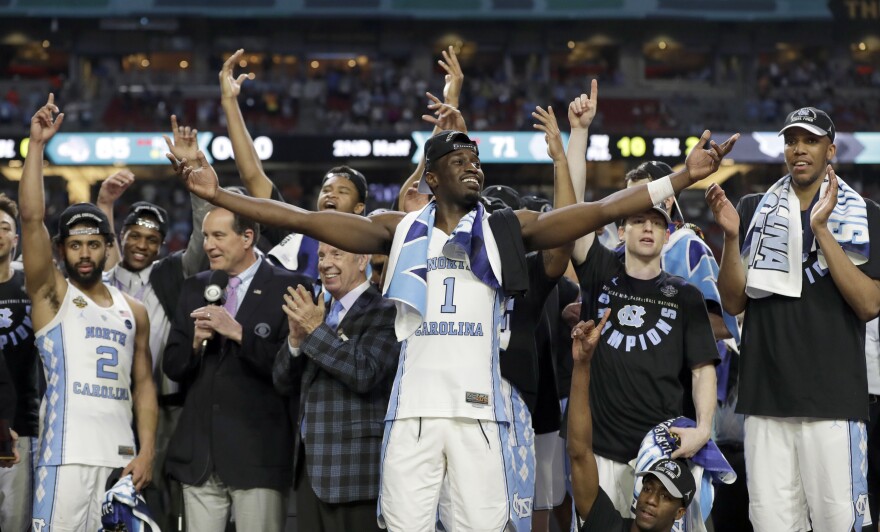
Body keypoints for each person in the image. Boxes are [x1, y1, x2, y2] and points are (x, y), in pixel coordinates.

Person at [172, 97, 735, 530]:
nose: (474, 169)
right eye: (460, 161)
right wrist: (219, 195)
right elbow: (298, 219)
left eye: (477, 161)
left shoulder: (506, 230)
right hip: (412, 416)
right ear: (432, 176)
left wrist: (681, 177)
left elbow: (601, 210)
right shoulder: (397, 231)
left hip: (479, 418)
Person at [706, 106, 880, 531]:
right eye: (791, 140)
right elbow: (733, 302)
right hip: (766, 398)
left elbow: (869, 304)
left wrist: (821, 229)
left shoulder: (865, 215)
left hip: (834, 401)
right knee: (770, 524)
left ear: (830, 150)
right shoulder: (751, 210)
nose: (798, 149)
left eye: (811, 140)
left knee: (839, 524)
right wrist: (730, 237)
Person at [567, 82, 719, 516]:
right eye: (637, 220)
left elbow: (702, 369)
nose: (648, 228)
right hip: (600, 449)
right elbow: (573, 212)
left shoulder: (686, 295)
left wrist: (704, 430)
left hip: (662, 456)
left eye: (656, 222)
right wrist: (579, 133)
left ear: (669, 232)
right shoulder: (599, 269)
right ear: (620, 230)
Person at [20, 94, 157, 531]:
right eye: (75, 245)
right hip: (65, 457)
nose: (84, 254)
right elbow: (31, 218)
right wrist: (37, 146)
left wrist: (148, 449)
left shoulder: (133, 309)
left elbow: (144, 384)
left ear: (107, 247)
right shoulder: (51, 296)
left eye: (94, 244)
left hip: (120, 459)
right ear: (61, 250)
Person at [162, 204, 310, 532]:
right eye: (205, 237)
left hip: (258, 456)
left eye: (218, 236)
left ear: (247, 237)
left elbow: (293, 371)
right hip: (200, 455)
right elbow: (172, 366)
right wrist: (196, 343)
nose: (208, 245)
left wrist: (239, 334)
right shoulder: (196, 287)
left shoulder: (291, 288)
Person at [99, 115, 211, 530]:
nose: (141, 245)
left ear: (163, 245)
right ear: (122, 237)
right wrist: (105, 203)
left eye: (151, 240)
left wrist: (195, 178)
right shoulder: (106, 277)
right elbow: (99, 243)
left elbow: (202, 237)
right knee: (114, 493)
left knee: (165, 488)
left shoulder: (172, 273)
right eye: (134, 236)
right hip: (113, 405)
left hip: (170, 404)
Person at [272, 242, 399, 532]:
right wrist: (294, 341)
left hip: (355, 474)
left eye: (336, 254)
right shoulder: (318, 310)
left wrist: (315, 331)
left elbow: (364, 372)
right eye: (321, 255)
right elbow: (282, 382)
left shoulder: (386, 310)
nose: (325, 263)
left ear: (362, 258)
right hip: (309, 472)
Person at [218, 48, 368, 279]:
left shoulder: (373, 241)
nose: (331, 195)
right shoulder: (296, 232)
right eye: (326, 189)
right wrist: (229, 102)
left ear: (359, 207)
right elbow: (252, 175)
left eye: (342, 191)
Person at [567, 311, 697, 531]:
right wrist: (582, 364)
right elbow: (580, 453)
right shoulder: (608, 525)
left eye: (665, 495)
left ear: (680, 512)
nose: (651, 500)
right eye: (648, 488)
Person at [0, 193, 40, 532]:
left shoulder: (31, 282)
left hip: (24, 426)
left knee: (16, 524)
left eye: (4, 227)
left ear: (15, 238)